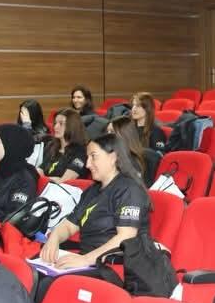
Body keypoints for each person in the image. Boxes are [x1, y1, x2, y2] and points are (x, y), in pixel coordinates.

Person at [39, 134, 151, 272]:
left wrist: (85, 260)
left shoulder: (129, 190)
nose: (87, 164)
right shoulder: (92, 190)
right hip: (89, 259)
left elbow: (125, 237)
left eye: (93, 156)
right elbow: (69, 225)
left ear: (113, 157)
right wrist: (54, 238)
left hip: (114, 265)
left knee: (48, 282)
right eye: (87, 157)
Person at [40, 109, 89, 182]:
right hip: (46, 186)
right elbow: (40, 170)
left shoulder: (81, 152)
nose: (56, 127)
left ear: (72, 126)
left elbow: (65, 181)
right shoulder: (51, 145)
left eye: (61, 123)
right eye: (55, 123)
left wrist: (44, 179)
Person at [108, 115, 158, 186]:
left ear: (125, 134)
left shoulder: (148, 157)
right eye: (107, 131)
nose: (107, 135)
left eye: (112, 131)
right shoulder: (107, 157)